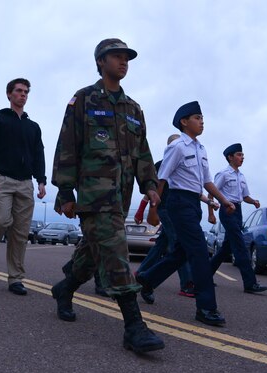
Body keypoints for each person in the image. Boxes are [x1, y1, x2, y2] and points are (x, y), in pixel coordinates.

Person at [50, 38, 165, 353]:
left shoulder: (133, 109)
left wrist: (151, 186)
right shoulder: (84, 99)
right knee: (115, 252)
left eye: (126, 57)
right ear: (101, 62)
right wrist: (64, 190)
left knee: (92, 255)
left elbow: (143, 152)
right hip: (92, 195)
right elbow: (67, 145)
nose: (123, 61)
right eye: (116, 56)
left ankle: (65, 288)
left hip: (120, 198)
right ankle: (134, 327)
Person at [136, 101, 235, 326]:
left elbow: (207, 182)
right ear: (184, 122)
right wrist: (154, 209)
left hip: (192, 204)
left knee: (181, 252)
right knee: (200, 251)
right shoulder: (178, 146)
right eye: (197, 118)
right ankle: (206, 307)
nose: (202, 122)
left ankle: (147, 278)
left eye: (202, 118)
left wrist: (224, 200)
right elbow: (162, 177)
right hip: (178, 202)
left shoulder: (201, 149)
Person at [0, 78, 47, 295]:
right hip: (1, 179)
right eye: (18, 91)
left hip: (25, 183)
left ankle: (15, 278)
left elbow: (38, 154)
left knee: (20, 233)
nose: (23, 94)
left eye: (26, 91)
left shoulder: (33, 127)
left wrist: (41, 180)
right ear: (9, 94)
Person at [134, 134, 196, 303]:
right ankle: (187, 284)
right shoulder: (161, 165)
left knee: (162, 244)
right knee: (178, 244)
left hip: (178, 210)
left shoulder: (183, 164)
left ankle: (142, 272)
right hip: (165, 210)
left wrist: (209, 202)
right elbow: (151, 191)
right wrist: (144, 211)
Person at [207, 143, 267, 293]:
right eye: (239, 155)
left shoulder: (241, 176)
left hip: (238, 211)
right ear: (230, 157)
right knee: (239, 245)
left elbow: (244, 196)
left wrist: (253, 201)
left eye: (242, 155)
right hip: (227, 210)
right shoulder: (223, 174)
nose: (242, 157)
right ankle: (250, 283)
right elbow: (211, 192)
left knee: (226, 248)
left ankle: (205, 275)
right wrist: (211, 213)